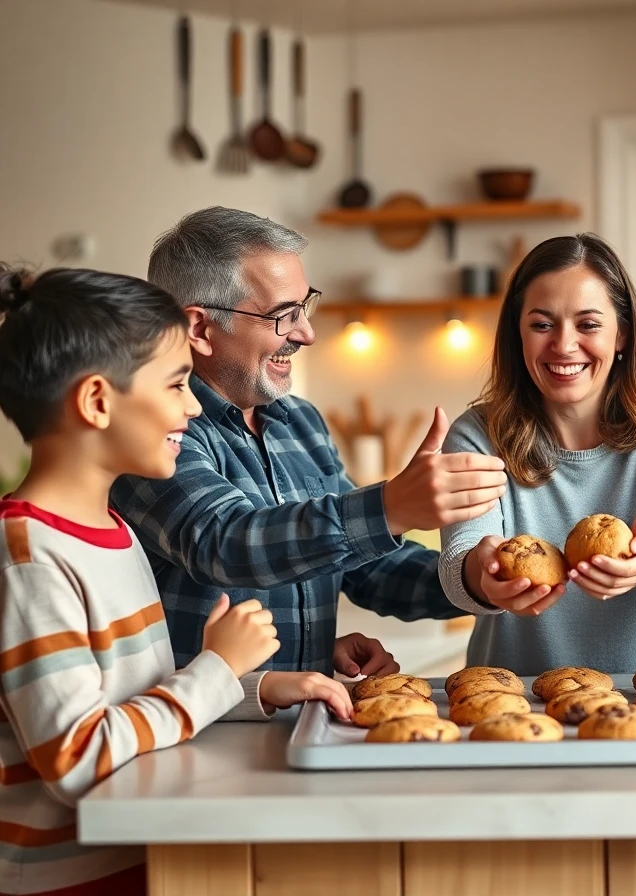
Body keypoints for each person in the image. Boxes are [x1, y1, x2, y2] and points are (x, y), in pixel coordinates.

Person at [0, 265, 348, 896]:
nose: (192, 405)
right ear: (98, 401)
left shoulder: (111, 529)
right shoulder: (28, 559)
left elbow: (144, 699)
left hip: (143, 856)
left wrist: (257, 689)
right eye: (177, 383)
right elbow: (78, 759)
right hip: (69, 880)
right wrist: (216, 667)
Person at [110, 207, 506, 684]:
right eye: (283, 316)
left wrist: (475, 581)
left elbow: (367, 568)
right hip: (201, 728)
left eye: (305, 307)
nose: (306, 333)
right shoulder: (155, 429)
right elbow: (225, 543)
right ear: (199, 328)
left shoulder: (302, 422)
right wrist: (390, 506)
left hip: (304, 716)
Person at [437, 233, 636, 674]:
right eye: (541, 324)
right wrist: (484, 575)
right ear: (518, 333)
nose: (563, 344)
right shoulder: (478, 435)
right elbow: (458, 565)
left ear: (622, 334)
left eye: (588, 324)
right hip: (515, 704)